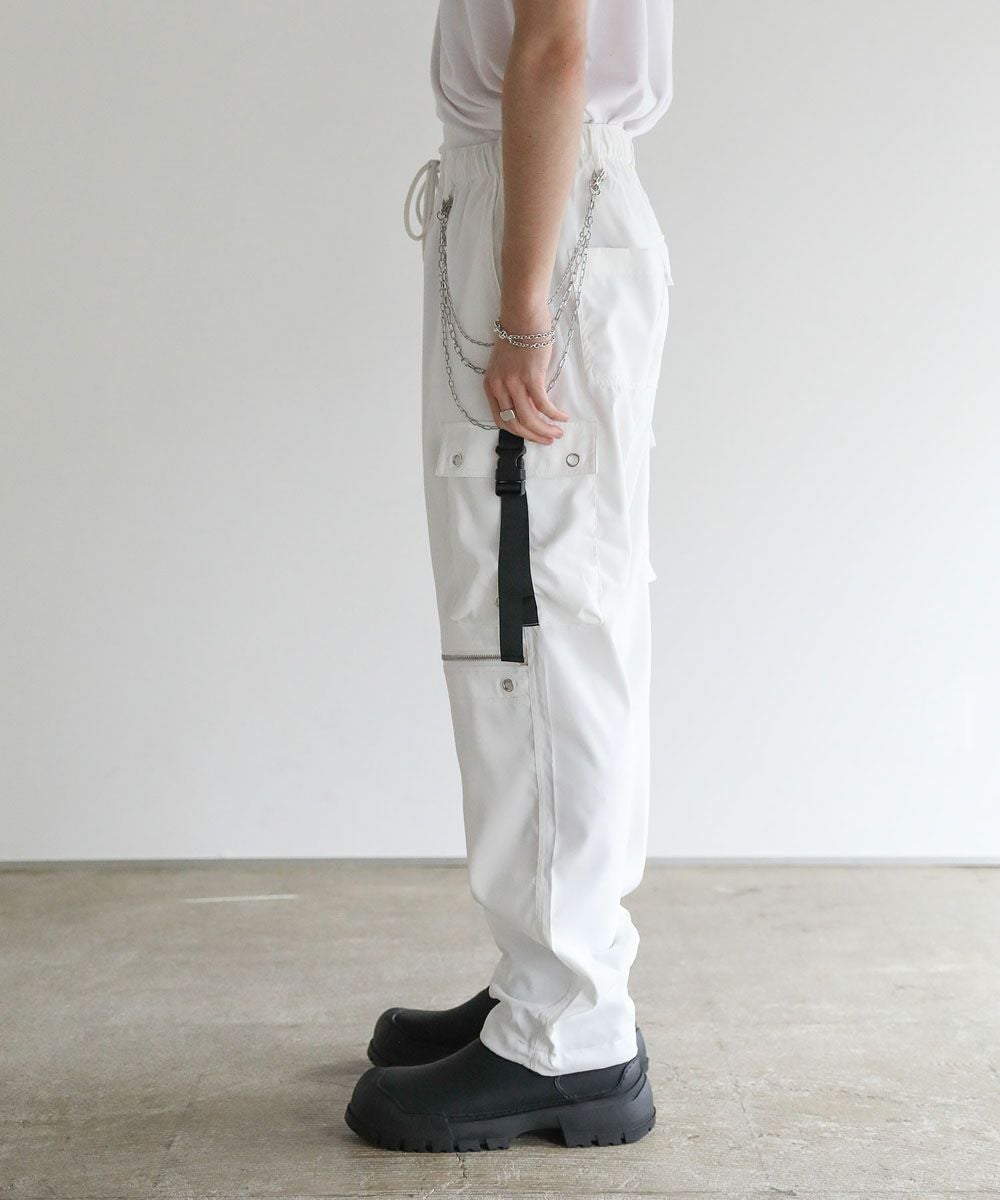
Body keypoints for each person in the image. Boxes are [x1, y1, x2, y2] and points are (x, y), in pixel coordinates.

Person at [345, 0, 674, 1152]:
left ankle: (568, 1028)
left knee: (533, 620)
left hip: (538, 199)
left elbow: (552, 46)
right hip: (534, 183)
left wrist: (523, 304)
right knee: (546, 610)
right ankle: (547, 970)